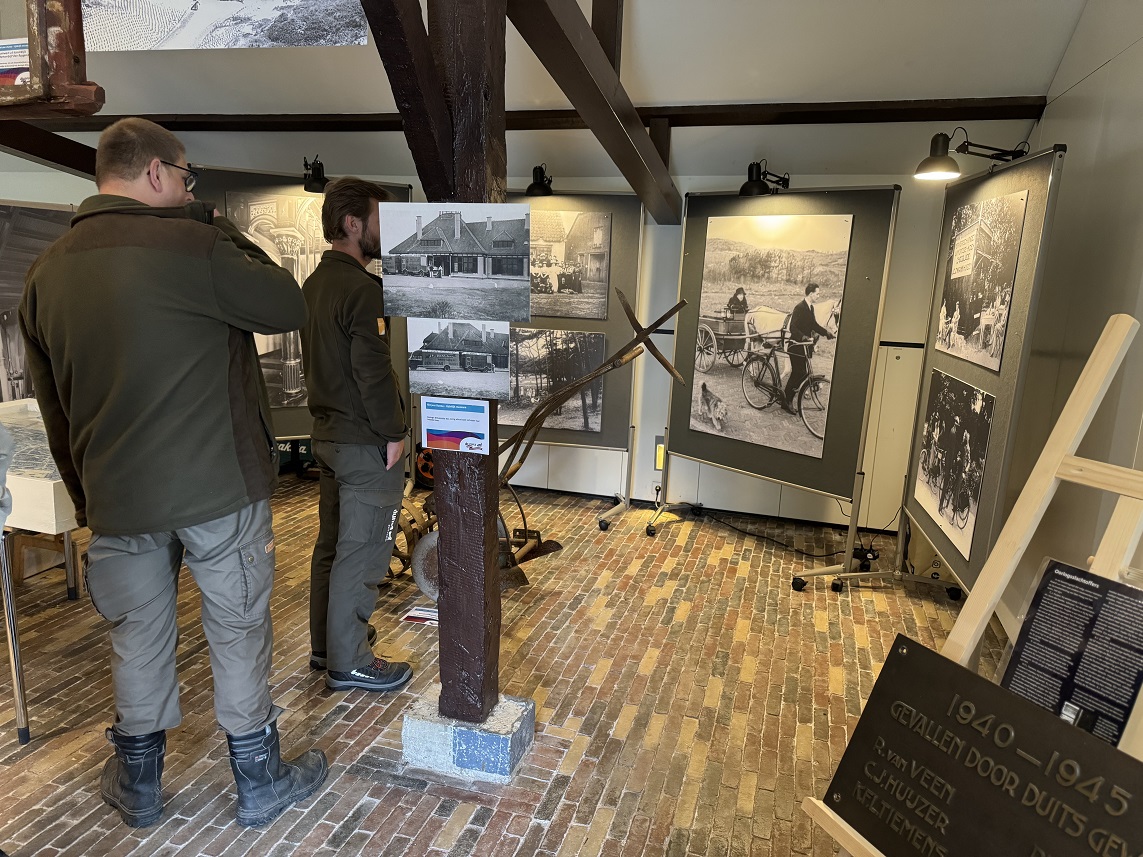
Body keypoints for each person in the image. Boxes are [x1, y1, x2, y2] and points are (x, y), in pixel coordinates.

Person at [18, 118, 327, 829]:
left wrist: (88, 494)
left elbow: (55, 406)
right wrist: (215, 225)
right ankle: (259, 778)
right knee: (237, 622)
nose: (190, 188)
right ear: (157, 174)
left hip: (119, 494)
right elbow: (286, 302)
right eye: (187, 176)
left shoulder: (46, 270)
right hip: (217, 484)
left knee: (138, 633)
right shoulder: (197, 242)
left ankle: (140, 783)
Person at [300, 177, 413, 693]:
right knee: (364, 549)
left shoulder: (316, 284)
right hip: (365, 442)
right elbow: (371, 370)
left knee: (332, 545)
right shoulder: (363, 290)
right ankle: (350, 660)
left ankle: (327, 646)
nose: (382, 231)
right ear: (351, 224)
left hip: (327, 435)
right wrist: (395, 431)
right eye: (376, 220)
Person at [782, 283, 835, 413]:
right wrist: (804, 337)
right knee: (798, 373)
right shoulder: (799, 307)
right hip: (795, 346)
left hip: (803, 347)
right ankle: (786, 400)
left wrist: (826, 333)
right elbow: (792, 327)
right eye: (817, 293)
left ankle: (787, 397)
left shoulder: (810, 307)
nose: (819, 296)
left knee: (804, 373)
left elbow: (814, 325)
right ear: (811, 294)